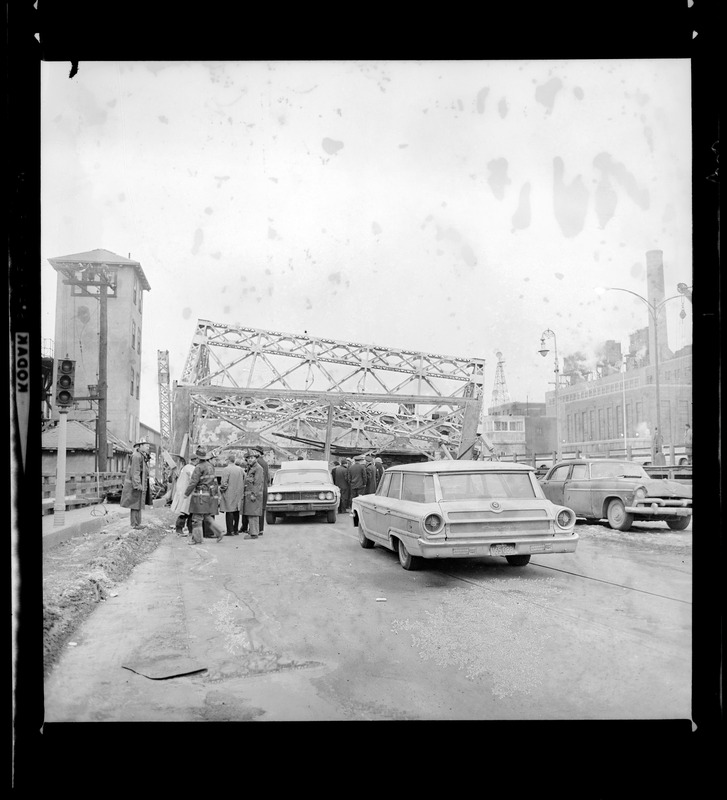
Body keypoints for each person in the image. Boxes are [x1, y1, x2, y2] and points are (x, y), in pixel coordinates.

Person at [184, 446, 225, 545]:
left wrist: (186, 493)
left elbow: (193, 482)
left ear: (198, 458)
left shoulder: (198, 467)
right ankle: (219, 532)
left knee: (197, 519)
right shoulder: (210, 466)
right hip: (209, 495)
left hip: (200, 496)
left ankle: (197, 539)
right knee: (207, 516)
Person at [120, 437, 151, 529]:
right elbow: (135, 471)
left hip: (138, 483)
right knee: (135, 504)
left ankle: (137, 523)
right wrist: (138, 484)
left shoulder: (141, 455)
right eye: (146, 446)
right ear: (140, 446)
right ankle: (134, 524)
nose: (148, 448)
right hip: (134, 484)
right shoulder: (137, 456)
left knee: (138, 504)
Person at [170, 455, 198, 536]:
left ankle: (189, 529)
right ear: (195, 460)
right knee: (185, 512)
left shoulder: (186, 467)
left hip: (183, 491)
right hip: (186, 492)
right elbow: (193, 479)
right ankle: (180, 528)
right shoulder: (190, 468)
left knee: (188, 512)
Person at [219, 453, 245, 536]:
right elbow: (245, 478)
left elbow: (224, 483)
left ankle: (230, 531)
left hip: (229, 493)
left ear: (228, 460)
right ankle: (236, 529)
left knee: (229, 511)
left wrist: (221, 489)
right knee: (236, 511)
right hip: (238, 492)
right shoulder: (240, 469)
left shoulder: (226, 469)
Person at [242, 450, 265, 539]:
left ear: (255, 458)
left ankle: (254, 533)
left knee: (253, 514)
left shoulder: (258, 468)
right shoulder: (251, 468)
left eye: (252, 458)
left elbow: (257, 483)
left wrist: (254, 494)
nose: (250, 460)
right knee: (251, 513)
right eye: (248, 458)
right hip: (250, 495)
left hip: (254, 495)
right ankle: (253, 532)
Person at [255, 449, 270, 533]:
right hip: (264, 488)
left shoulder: (257, 462)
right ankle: (260, 529)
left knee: (256, 509)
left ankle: (256, 529)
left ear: (258, 453)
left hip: (259, 488)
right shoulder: (264, 462)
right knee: (261, 509)